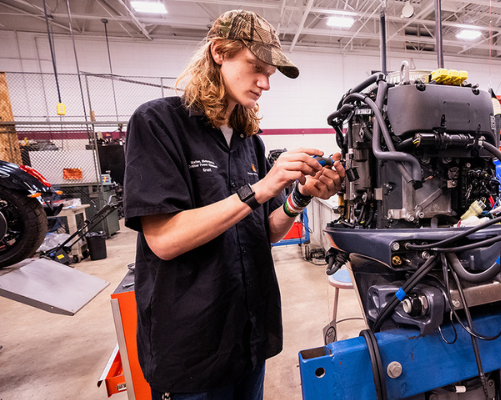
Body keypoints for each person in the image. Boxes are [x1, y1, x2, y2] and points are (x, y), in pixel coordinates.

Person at [123, 10, 344, 400]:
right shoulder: (159, 123)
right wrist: (258, 189)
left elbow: (267, 230)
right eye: (256, 67)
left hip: (247, 336)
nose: (264, 83)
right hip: (193, 347)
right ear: (219, 53)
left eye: (270, 74)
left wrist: (302, 194)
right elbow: (164, 240)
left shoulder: (248, 141)